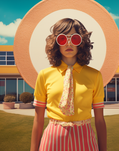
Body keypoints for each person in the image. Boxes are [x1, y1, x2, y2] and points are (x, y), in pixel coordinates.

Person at [30, 18, 107, 151]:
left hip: (85, 139)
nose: (68, 43)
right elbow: (38, 120)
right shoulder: (44, 75)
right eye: (62, 39)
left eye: (74, 39)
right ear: (56, 43)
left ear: (81, 42)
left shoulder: (95, 75)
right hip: (52, 139)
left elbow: (100, 120)